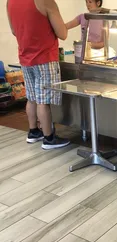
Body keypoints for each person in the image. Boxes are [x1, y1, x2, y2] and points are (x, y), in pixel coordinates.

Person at [6, 0, 70, 150]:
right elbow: (63, 33)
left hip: (25, 57)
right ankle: (49, 138)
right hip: (44, 57)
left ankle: (33, 131)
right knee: (43, 100)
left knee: (32, 97)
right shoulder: (46, 1)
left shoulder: (10, 2)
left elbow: (15, 31)